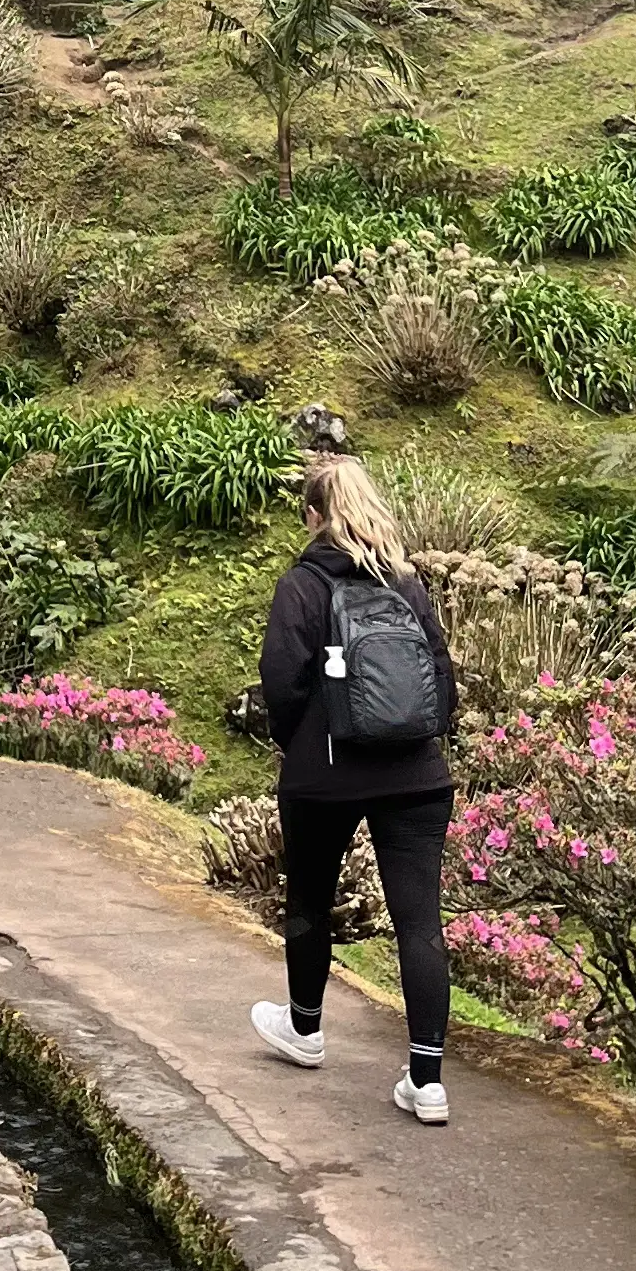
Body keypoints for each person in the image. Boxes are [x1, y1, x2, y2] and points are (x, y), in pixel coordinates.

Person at [252, 454, 462, 1126]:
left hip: (326, 773)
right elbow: (441, 675)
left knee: (310, 896)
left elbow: (281, 682)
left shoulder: (303, 585)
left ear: (313, 515)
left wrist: (304, 745)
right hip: (417, 774)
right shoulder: (407, 580)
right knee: (420, 921)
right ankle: (426, 1081)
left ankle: (305, 1030)